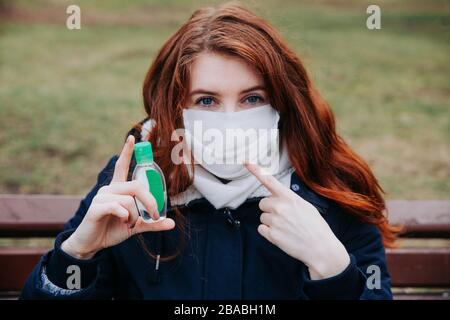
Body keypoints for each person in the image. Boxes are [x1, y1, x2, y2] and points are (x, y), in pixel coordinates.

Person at [20, 2, 396, 300]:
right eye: (207, 100)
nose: (231, 119)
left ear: (282, 101)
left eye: (252, 98)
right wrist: (77, 256)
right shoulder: (135, 183)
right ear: (174, 109)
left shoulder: (330, 182)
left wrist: (332, 268)